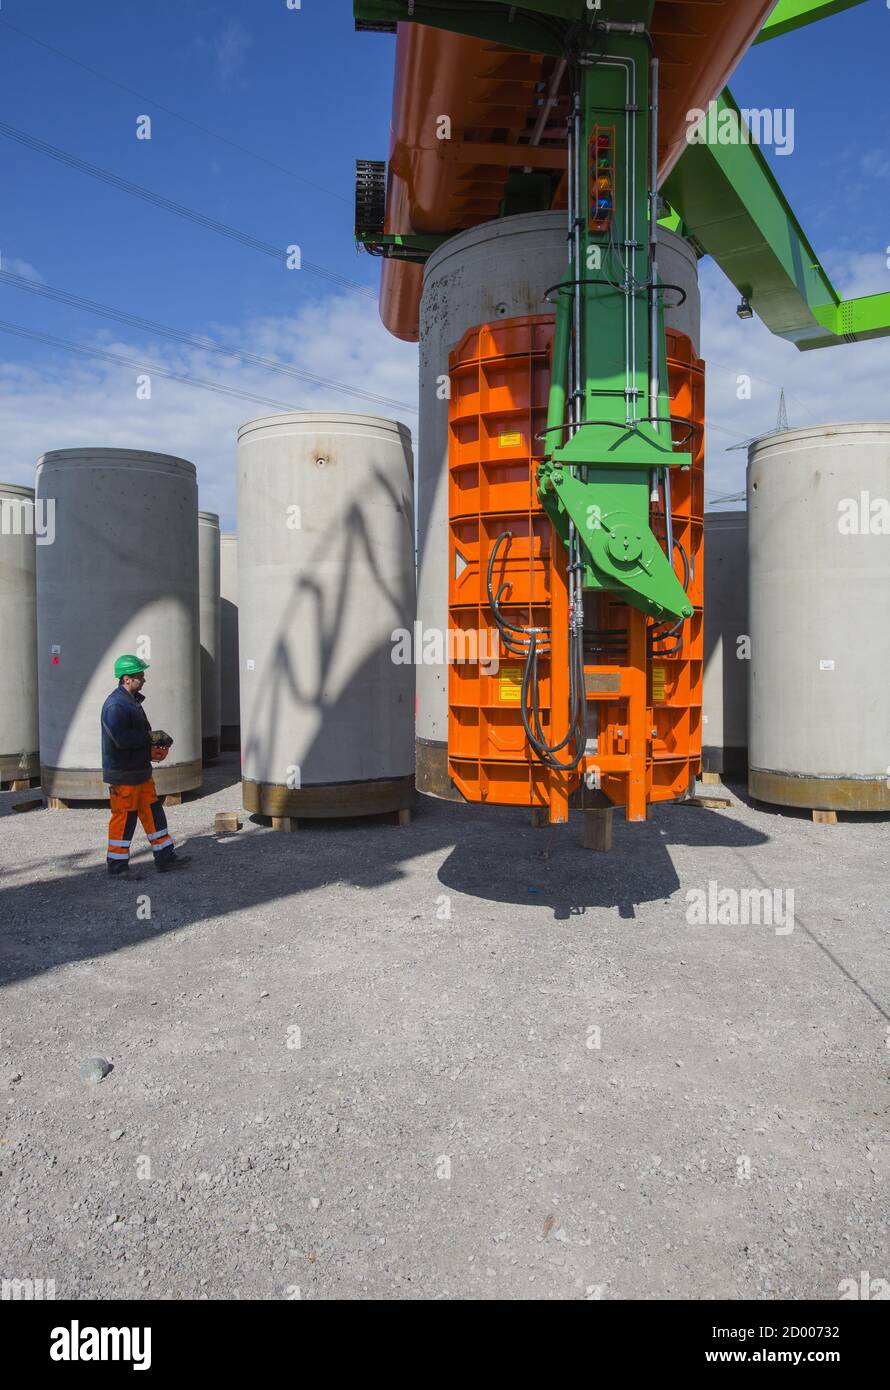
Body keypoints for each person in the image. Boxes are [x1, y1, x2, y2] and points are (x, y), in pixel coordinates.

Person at [101, 654, 191, 878]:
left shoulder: (132, 702)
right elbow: (121, 739)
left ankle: (165, 857)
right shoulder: (115, 706)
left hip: (139, 771)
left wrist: (153, 738)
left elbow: (138, 734)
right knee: (125, 818)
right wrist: (149, 738)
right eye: (140, 676)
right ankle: (117, 866)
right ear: (126, 678)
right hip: (123, 774)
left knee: (153, 812)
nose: (144, 679)